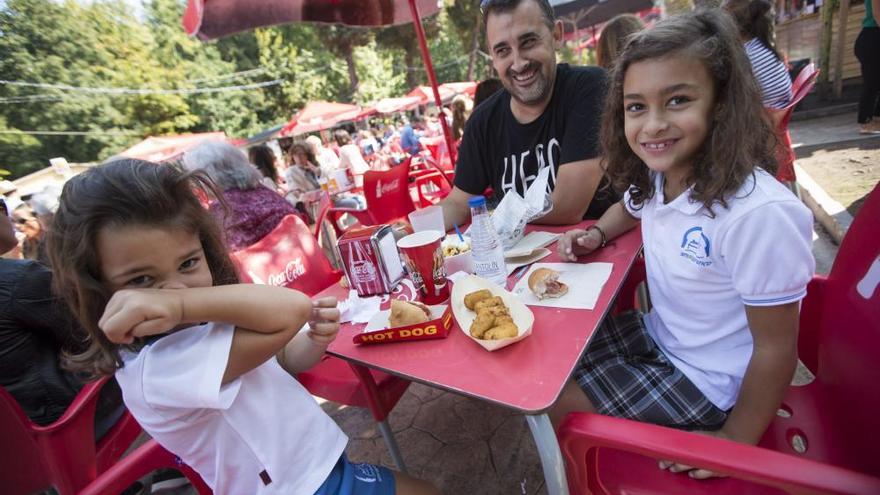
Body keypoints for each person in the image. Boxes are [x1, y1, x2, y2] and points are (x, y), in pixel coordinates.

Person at [45, 159, 439, 495]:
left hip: (321, 472)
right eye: (142, 281)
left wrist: (313, 342)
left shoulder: (197, 319)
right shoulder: (159, 366)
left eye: (187, 264)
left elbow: (282, 360)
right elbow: (292, 308)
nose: (173, 290)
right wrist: (180, 302)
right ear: (95, 288)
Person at [551, 10, 814, 480]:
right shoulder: (660, 175)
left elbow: (777, 349)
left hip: (711, 383)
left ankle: (589, 481)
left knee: (559, 405)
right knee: (551, 362)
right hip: (662, 335)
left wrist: (735, 442)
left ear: (720, 104)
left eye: (676, 100)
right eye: (636, 107)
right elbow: (630, 208)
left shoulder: (758, 215)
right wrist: (597, 234)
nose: (652, 125)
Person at [440, 0, 619, 230]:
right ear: (493, 57)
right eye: (503, 50)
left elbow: (568, 206)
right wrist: (409, 231)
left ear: (556, 35)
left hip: (602, 256)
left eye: (528, 42)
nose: (518, 63)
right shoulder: (482, 122)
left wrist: (493, 211)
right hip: (521, 264)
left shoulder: (590, 88)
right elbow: (457, 202)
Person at [183, 141, 301, 251]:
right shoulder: (264, 191)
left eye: (194, 177)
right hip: (302, 260)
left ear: (207, 177)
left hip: (269, 271)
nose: (193, 182)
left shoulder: (221, 210)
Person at [723, 0, 792, 117]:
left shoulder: (745, 56)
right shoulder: (761, 45)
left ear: (731, 28)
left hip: (766, 117)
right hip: (780, 109)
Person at [855, 0, 880, 134]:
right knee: (872, 83)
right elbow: (877, 14)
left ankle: (876, 120)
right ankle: (865, 122)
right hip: (872, 37)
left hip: (873, 36)